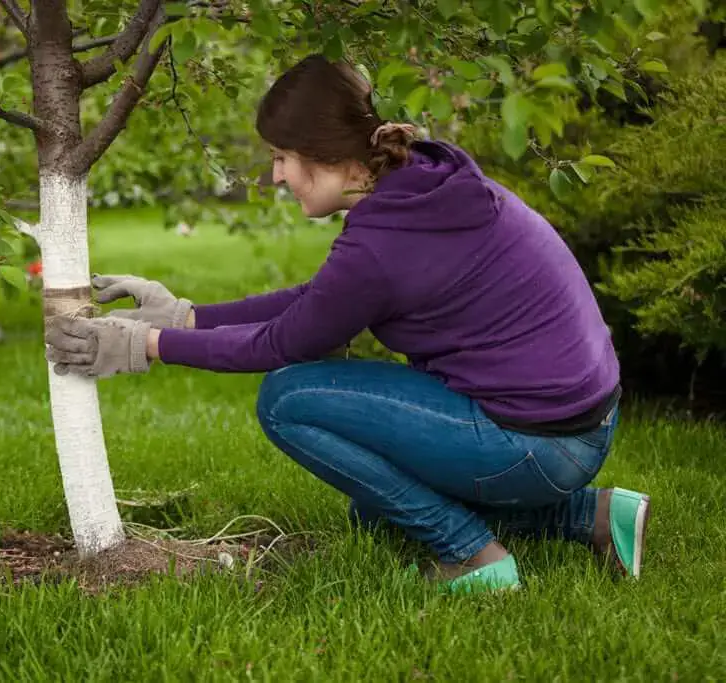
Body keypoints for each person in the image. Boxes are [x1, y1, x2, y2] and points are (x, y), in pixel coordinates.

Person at [44, 54, 650, 594]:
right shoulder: (421, 184)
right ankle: (592, 517)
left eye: (282, 157)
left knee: (289, 398)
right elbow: (322, 299)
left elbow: (287, 341)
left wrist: (146, 344)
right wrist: (188, 316)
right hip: (574, 426)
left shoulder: (383, 243)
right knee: (376, 508)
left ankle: (474, 559)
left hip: (538, 443)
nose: (276, 175)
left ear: (328, 156)